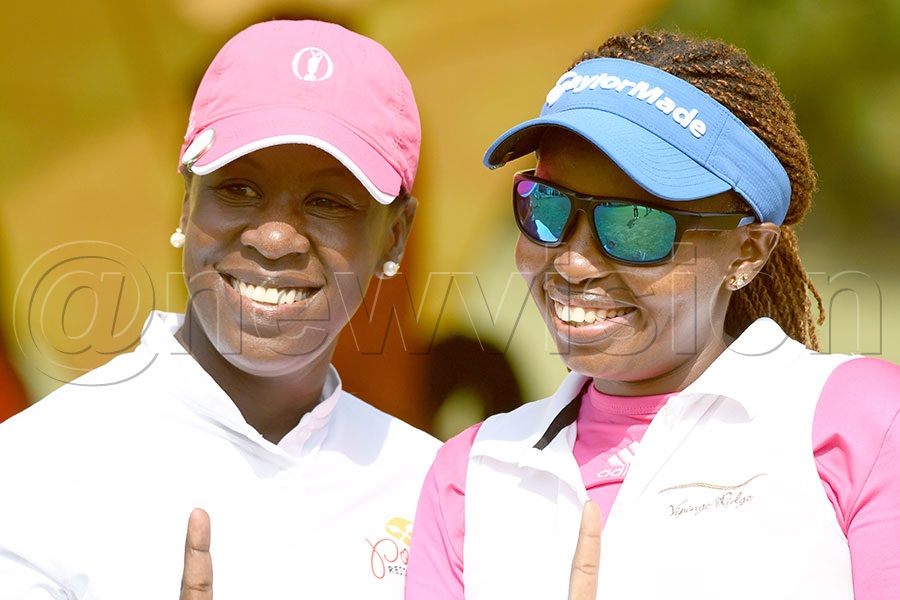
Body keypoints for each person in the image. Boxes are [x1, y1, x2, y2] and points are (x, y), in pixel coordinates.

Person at [405, 30, 900, 599]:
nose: (571, 260)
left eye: (634, 225)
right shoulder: (472, 474)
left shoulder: (859, 425)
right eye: (546, 206)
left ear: (747, 252)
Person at [0, 19, 440, 599]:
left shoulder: (437, 489)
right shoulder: (38, 468)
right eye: (239, 188)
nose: (276, 238)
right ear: (186, 203)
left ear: (395, 237)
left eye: (327, 200)